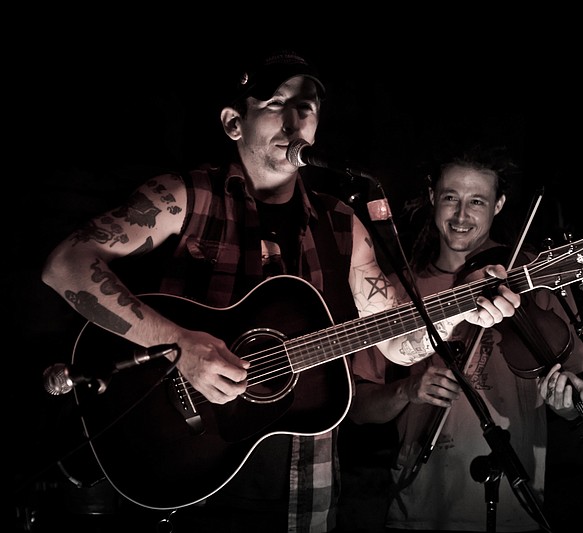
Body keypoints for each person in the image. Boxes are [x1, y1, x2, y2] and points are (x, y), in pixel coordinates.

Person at [40, 49, 522, 533]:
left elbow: (395, 341)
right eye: (275, 103)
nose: (294, 122)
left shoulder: (342, 224)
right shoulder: (185, 197)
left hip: (304, 486)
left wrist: (462, 310)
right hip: (186, 469)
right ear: (234, 122)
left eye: (307, 108)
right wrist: (181, 346)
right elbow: (66, 267)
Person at [346, 144, 583, 532]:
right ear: (432, 198)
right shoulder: (394, 292)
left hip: (519, 505)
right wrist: (407, 391)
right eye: (451, 197)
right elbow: (359, 409)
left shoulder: (534, 282)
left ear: (498, 205)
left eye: (477, 201)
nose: (462, 215)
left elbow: (576, 406)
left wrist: (565, 401)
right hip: (420, 507)